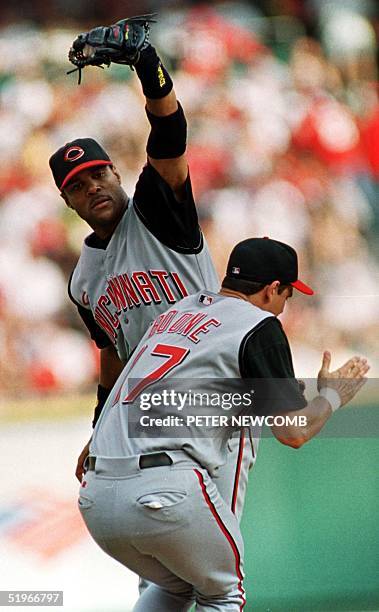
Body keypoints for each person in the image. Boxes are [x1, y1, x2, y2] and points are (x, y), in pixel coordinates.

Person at [78, 237, 369, 611]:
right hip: (163, 492)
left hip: (96, 495)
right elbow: (293, 432)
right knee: (224, 592)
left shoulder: (178, 311)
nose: (283, 306)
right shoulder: (259, 324)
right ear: (271, 289)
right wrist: (332, 396)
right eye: (286, 295)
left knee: (180, 584)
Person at [48, 17, 251, 522]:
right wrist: (99, 431)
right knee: (170, 561)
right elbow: (112, 357)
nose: (93, 187)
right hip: (150, 415)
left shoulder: (156, 211)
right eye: (78, 185)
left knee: (216, 560)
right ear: (66, 200)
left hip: (213, 391)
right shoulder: (82, 281)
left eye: (98, 174)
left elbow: (170, 133)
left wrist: (148, 66)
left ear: (116, 173)